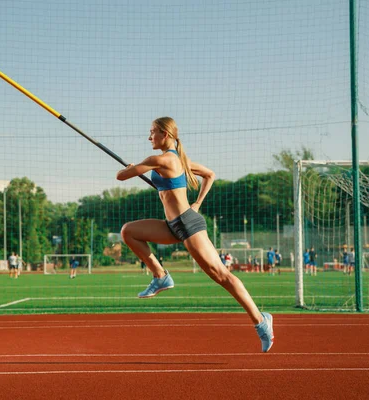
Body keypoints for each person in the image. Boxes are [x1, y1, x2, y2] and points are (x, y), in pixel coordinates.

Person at [116, 117, 273, 352]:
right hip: (172, 225)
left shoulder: (157, 159)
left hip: (188, 224)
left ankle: (261, 322)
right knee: (128, 231)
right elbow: (210, 174)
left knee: (221, 275)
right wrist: (196, 202)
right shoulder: (178, 160)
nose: (149, 137)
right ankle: (160, 276)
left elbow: (120, 176)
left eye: (152, 133)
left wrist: (131, 169)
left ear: (165, 134)